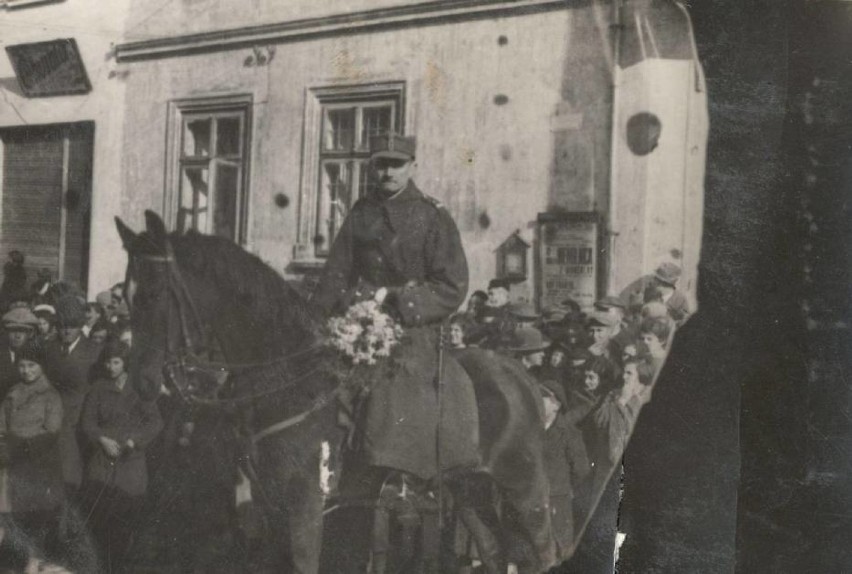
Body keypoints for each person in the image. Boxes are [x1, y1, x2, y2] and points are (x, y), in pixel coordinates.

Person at [313, 132, 479, 487]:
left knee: (389, 392)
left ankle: (399, 479)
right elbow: (336, 273)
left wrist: (396, 299)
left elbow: (452, 287)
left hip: (413, 329)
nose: (388, 172)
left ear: (412, 166)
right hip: (359, 323)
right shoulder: (362, 212)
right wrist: (316, 319)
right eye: (381, 165)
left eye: (396, 164)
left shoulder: (432, 216)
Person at [80, 340, 162, 572]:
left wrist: (134, 440)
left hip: (130, 463)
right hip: (103, 462)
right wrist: (102, 440)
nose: (110, 367)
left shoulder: (137, 389)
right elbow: (87, 422)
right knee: (100, 520)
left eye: (115, 362)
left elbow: (155, 422)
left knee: (126, 520)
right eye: (107, 362)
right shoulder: (98, 388)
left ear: (125, 363)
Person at [0, 339, 63, 553]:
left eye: (31, 366)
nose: (26, 371)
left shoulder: (50, 396)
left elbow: (51, 431)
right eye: (22, 366)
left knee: (34, 517)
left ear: (41, 366)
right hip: (10, 463)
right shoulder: (12, 393)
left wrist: (23, 448)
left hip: (36, 464)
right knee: (10, 516)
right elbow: (1, 426)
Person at [43, 295, 102, 496]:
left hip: (79, 419)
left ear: (81, 326)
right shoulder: (49, 349)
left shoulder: (94, 352)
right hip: (52, 417)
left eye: (72, 326)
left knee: (74, 473)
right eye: (61, 326)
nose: (66, 331)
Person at [0, 308, 39, 402]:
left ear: (30, 334)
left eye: (22, 331)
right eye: (13, 330)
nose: (17, 335)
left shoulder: (36, 356)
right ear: (6, 332)